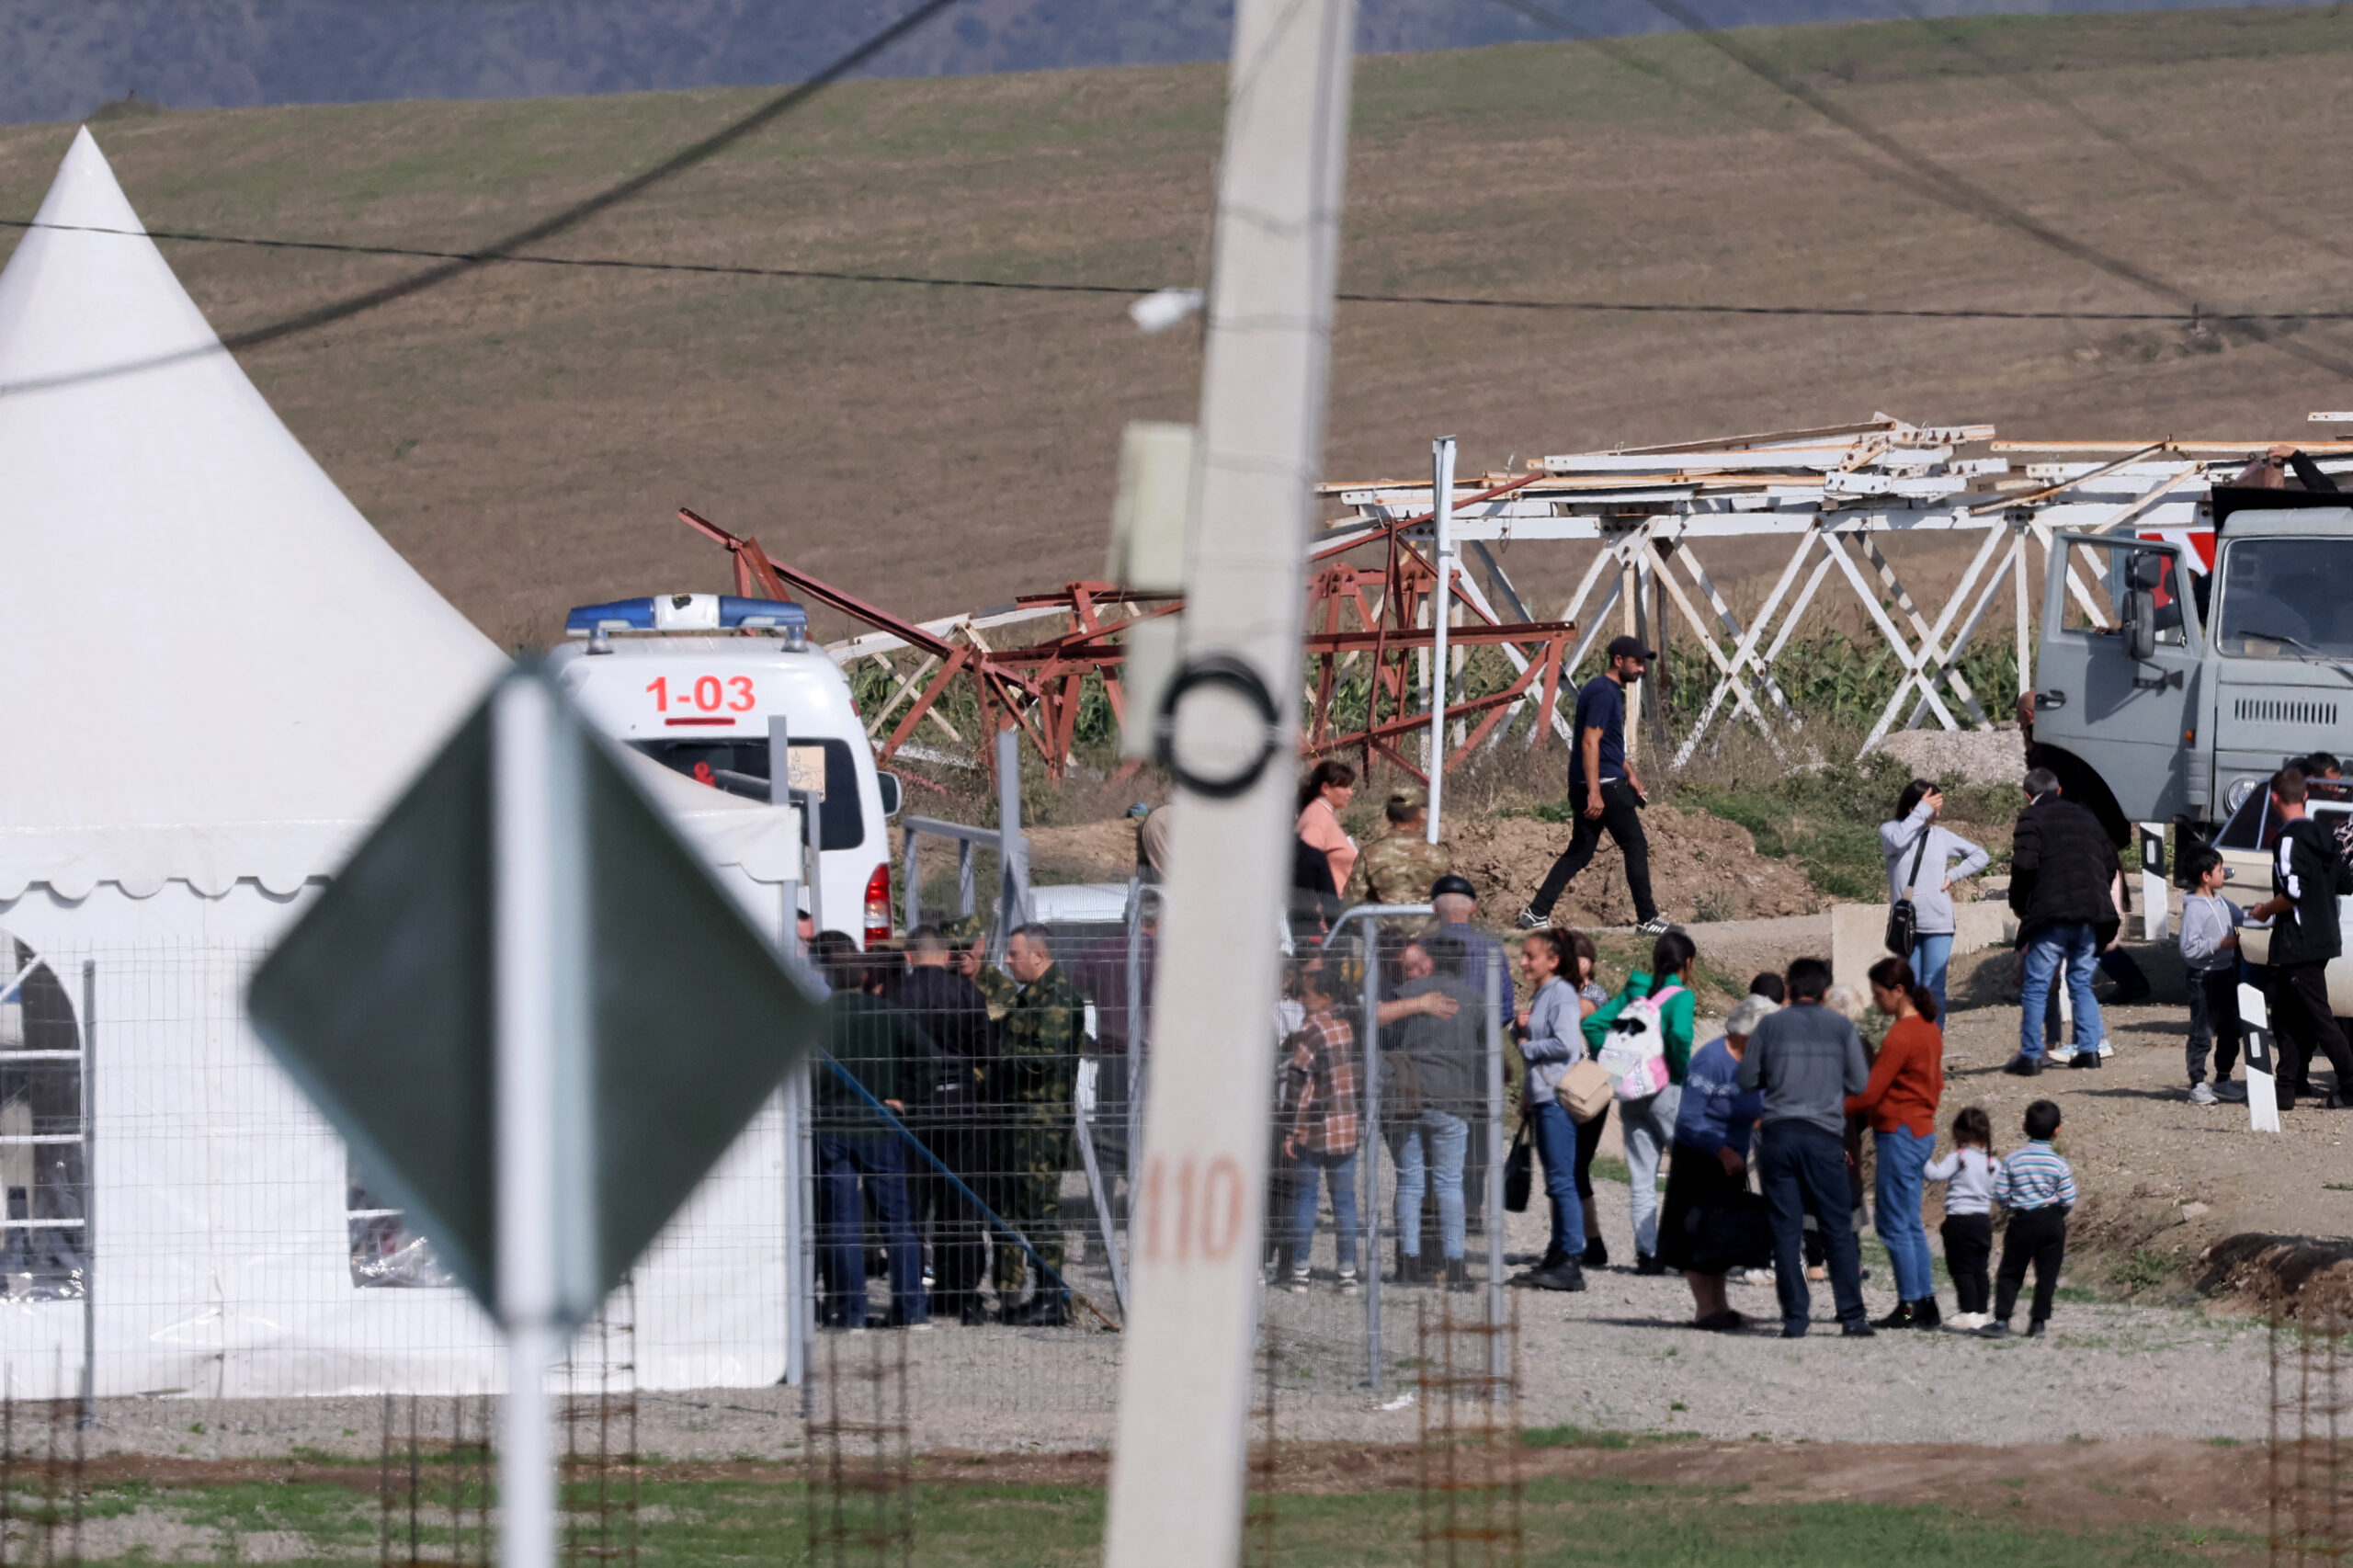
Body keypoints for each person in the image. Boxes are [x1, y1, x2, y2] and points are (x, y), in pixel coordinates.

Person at [1738, 957, 1873, 1338]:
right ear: (1826, 991)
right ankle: (1852, 1316)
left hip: (1779, 1137)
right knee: (1838, 1228)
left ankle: (1795, 1319)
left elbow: (1747, 1078)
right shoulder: (1841, 1027)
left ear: (1790, 987)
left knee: (1784, 1229)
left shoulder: (1770, 1026)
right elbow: (1860, 1083)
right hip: (1824, 1137)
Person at [812, 933, 939, 1330]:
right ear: (864, 975)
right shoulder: (884, 1012)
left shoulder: (817, 1019)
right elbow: (929, 1059)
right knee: (897, 1223)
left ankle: (850, 1314)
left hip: (831, 1126)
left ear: (828, 978)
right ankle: (911, 1311)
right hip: (879, 1125)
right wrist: (906, 1098)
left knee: (842, 1223)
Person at [1518, 635, 1673, 936]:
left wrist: (1629, 772)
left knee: (1579, 852)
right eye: (1636, 662)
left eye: (1643, 663)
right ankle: (1648, 919)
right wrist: (1595, 791)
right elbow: (1590, 741)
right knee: (1635, 845)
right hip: (1602, 785)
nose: (1641, 669)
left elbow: (1606, 744)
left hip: (1599, 780)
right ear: (1619, 661)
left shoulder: (1602, 689)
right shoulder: (1604, 693)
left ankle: (1536, 913)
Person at [887, 925, 996, 1326]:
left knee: (913, 1208)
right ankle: (961, 1294)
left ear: (910, 956)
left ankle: (911, 1297)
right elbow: (986, 1054)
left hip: (913, 1110)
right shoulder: (968, 994)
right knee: (963, 1208)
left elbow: (886, 1052)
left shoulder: (896, 994)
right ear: (947, 956)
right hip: (961, 1107)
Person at [1582, 930, 1699, 1275]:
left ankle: (1647, 1254)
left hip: (1631, 1096)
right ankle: (1683, 1250)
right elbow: (1680, 1035)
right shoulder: (1681, 996)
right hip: (1666, 1093)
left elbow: (1592, 1024)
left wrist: (1619, 1065)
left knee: (1642, 1176)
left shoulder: (1636, 992)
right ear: (1687, 963)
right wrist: (1677, 1074)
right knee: (1689, 1173)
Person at [991, 924, 1086, 1325]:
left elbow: (1041, 1058)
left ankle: (1051, 1297)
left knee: (1040, 1210)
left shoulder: (1059, 999)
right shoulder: (1030, 997)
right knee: (1016, 1207)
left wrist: (997, 1055)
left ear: (1039, 955)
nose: (1008, 962)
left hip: (1042, 1120)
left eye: (1014, 955)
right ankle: (1021, 1292)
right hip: (1021, 1117)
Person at [1663, 992, 1773, 1330]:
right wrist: (1721, 1150)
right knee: (1697, 1235)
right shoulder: (1711, 1060)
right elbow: (1689, 1119)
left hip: (1732, 1160)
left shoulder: (1760, 1065)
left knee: (1722, 1235)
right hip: (1700, 1159)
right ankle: (1705, 1310)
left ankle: (1722, 1307)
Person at [2245, 767, 2353, 1110]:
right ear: (2305, 796)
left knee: (2319, 1017)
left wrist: (2264, 910)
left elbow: (2291, 893)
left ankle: (2351, 1084)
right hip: (2322, 938)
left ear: (2275, 798)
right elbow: (2344, 884)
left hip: (2298, 940)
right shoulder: (2327, 835)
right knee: (2288, 1015)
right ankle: (2287, 1087)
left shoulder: (2288, 840)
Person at [2006, 767, 2120, 1075]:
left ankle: (2030, 1056)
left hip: (2051, 914)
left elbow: (2024, 866)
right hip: (2091, 914)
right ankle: (2088, 1051)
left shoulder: (2031, 818)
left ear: (2029, 795)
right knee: (2081, 983)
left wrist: (2020, 906)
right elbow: (2109, 865)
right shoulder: (2086, 817)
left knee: (2037, 985)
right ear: (2058, 790)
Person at [1851, 956, 1945, 1329]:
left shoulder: (1901, 1034)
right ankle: (1924, 1302)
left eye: (1878, 995)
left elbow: (1869, 1093)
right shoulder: (1928, 1028)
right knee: (1908, 1223)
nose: (1877, 1003)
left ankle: (1909, 1306)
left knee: (1892, 1223)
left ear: (1898, 991)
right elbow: (1934, 1085)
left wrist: (1829, 1110)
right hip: (1919, 1130)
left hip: (1899, 1132)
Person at [1389, 936, 1483, 1291]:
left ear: (1430, 959)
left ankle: (1409, 1264)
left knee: (1410, 1180)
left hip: (1409, 1095)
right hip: (1453, 1097)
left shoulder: (1410, 992)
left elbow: (1390, 1035)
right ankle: (1455, 1265)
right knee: (1449, 1183)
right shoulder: (1473, 999)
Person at [1511, 928, 1590, 1292]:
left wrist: (1527, 1046)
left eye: (1531, 956)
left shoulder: (1560, 993)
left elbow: (1566, 1044)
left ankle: (1571, 1259)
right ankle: (1558, 1252)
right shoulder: (1545, 993)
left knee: (1561, 1179)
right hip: (1544, 1096)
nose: (1524, 962)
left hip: (1557, 1097)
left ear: (1553, 960)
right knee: (1556, 1180)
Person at [1280, 963, 1361, 1294]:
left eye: (1307, 995)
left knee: (1305, 1199)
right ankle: (1347, 1272)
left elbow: (1298, 1082)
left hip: (1314, 1127)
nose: (1301, 999)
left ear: (1325, 996)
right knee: (1344, 1202)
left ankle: (1300, 1269)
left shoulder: (1312, 1031)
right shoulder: (1349, 1025)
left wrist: (1291, 1129)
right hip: (1347, 1126)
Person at [1879, 779, 1989, 1017]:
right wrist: (1922, 810)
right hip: (1905, 923)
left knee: (1933, 988)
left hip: (1938, 921)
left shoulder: (1940, 836)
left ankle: (1932, 1044)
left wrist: (1953, 875)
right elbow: (1897, 841)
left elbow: (1980, 856)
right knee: (1910, 988)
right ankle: (1912, 1043)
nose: (1938, 814)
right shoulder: (1890, 831)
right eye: (1933, 808)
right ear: (1913, 808)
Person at [1980, 1099, 2076, 1338]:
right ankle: (2038, 1323)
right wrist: (2058, 1213)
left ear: (2024, 1127)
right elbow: (2069, 1197)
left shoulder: (2013, 1160)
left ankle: (2002, 1320)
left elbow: (2000, 1192)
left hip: (2023, 1221)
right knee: (2047, 1275)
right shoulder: (2059, 1163)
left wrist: (2009, 1207)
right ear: (2058, 1130)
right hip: (2052, 1221)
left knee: (2011, 1271)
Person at [2178, 847, 2245, 1107]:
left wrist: (2268, 914)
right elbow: (2188, 949)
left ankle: (2223, 1079)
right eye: (2220, 870)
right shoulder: (2195, 909)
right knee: (2201, 1032)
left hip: (2226, 973)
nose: (2224, 874)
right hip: (2203, 979)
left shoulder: (2221, 901)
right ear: (2206, 876)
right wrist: (2219, 943)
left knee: (2232, 1028)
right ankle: (2197, 1084)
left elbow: (2243, 916)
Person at [1926, 1106, 1996, 1331]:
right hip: (1982, 1221)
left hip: (1958, 1222)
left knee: (1961, 1269)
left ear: (1957, 1133)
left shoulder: (1958, 1158)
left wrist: (1919, 1158)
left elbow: (1934, 1175)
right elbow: (2000, 1191)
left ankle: (1968, 1312)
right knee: (1980, 1269)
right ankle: (1983, 1312)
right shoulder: (1993, 1163)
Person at [1347, 786, 1451, 906]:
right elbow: (1451, 900)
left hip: (1382, 924)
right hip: (1429, 924)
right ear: (1419, 814)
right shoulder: (1439, 856)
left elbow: (1352, 901)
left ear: (1388, 816)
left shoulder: (1369, 855)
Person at [1296, 760, 1360, 895]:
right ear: (1325, 788)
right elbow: (1306, 862)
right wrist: (1314, 912)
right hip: (1326, 910)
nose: (1351, 792)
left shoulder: (1322, 814)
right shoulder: (1317, 819)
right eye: (1345, 787)